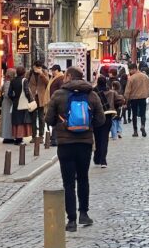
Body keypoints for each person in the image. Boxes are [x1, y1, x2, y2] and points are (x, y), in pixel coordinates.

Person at [45, 67, 105, 232]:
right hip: (84, 144)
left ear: (69, 76)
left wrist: (61, 122)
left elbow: (48, 119)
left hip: (65, 144)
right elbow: (101, 119)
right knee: (83, 178)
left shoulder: (58, 95)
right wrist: (88, 123)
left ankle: (71, 220)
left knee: (68, 182)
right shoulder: (91, 95)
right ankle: (84, 214)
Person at [93, 75, 124, 167]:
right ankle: (103, 160)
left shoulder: (93, 93)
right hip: (107, 117)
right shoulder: (112, 92)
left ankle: (97, 157)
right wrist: (115, 106)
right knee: (104, 138)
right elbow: (121, 100)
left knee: (97, 138)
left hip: (96, 118)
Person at [8, 66, 34, 145]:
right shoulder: (24, 80)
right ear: (24, 72)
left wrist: (14, 99)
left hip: (16, 103)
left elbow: (9, 93)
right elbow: (26, 92)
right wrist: (30, 100)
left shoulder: (13, 81)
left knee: (16, 121)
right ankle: (20, 139)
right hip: (23, 103)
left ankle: (17, 138)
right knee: (22, 121)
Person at [124, 64, 149, 137]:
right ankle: (143, 125)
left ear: (134, 69)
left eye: (130, 70)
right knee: (143, 113)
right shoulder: (145, 76)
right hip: (143, 97)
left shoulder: (131, 78)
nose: (130, 71)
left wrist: (125, 99)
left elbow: (127, 90)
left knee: (134, 114)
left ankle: (135, 131)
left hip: (134, 98)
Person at [27, 61, 50, 143]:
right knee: (32, 118)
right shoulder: (29, 73)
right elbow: (25, 83)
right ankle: (33, 136)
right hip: (32, 98)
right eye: (37, 67)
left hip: (41, 98)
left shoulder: (44, 73)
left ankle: (41, 136)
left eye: (40, 67)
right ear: (34, 67)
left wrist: (42, 74)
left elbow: (48, 83)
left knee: (41, 118)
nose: (38, 69)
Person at [0, 68, 17, 144]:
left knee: (7, 120)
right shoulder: (9, 82)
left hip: (6, 104)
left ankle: (7, 136)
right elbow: (7, 94)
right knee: (8, 120)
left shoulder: (7, 82)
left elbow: (1, 91)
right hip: (8, 104)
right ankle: (8, 137)